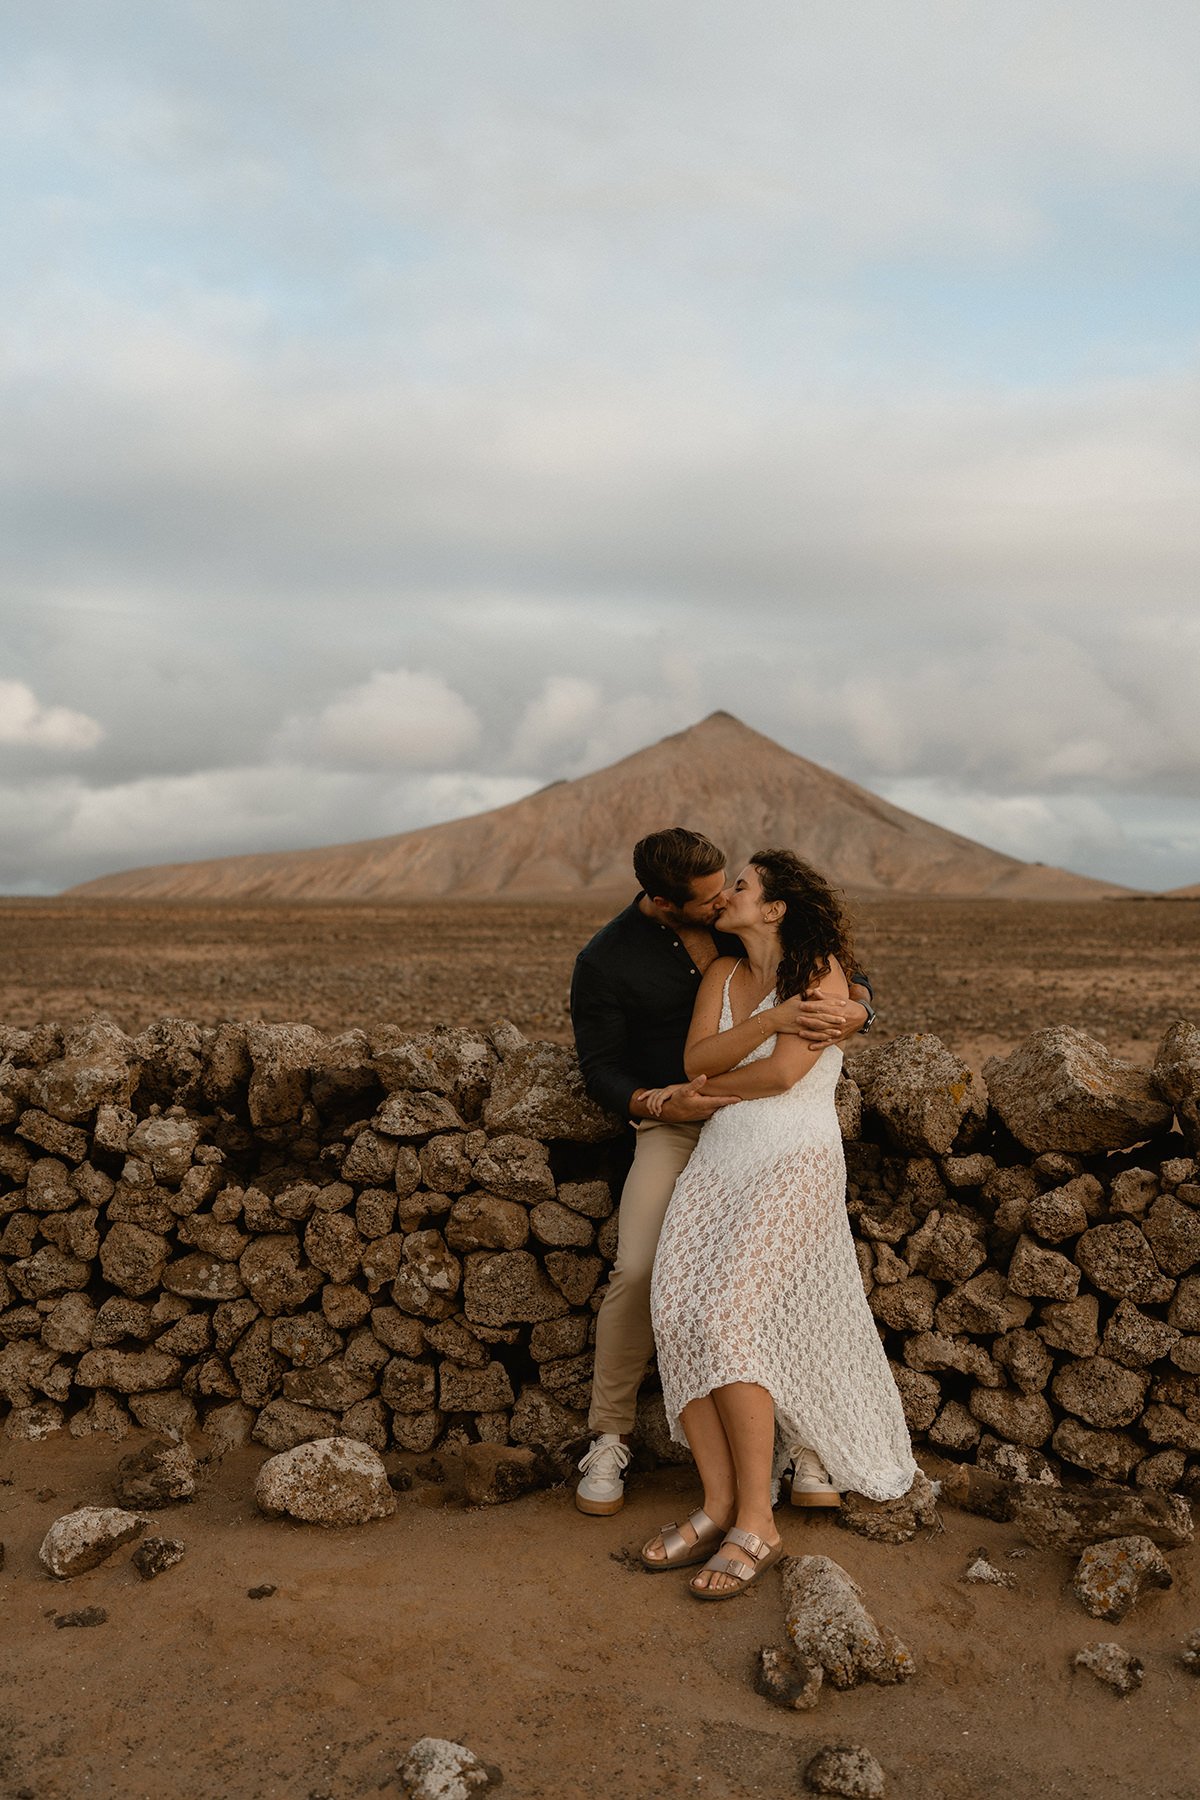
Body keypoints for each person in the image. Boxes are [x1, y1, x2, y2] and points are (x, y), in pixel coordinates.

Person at [569, 827, 877, 1516]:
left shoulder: (748, 918)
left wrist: (861, 1004)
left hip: (767, 1126)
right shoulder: (607, 961)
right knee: (642, 1269)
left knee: (776, 1278)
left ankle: (804, 1442)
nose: (719, 904)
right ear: (662, 900)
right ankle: (610, 1436)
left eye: (727, 891)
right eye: (706, 900)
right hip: (679, 1125)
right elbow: (600, 1069)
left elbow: (827, 957)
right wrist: (656, 1099)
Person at [640, 849, 916, 1598]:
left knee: (728, 1317)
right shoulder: (723, 976)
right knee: (675, 1312)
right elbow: (698, 1053)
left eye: (743, 885)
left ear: (776, 908)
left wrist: (698, 1091)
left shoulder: (820, 968)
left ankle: (757, 1519)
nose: (727, 894)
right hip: (722, 1160)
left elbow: (783, 1073)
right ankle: (718, 1501)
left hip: (793, 1157)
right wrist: (767, 1022)